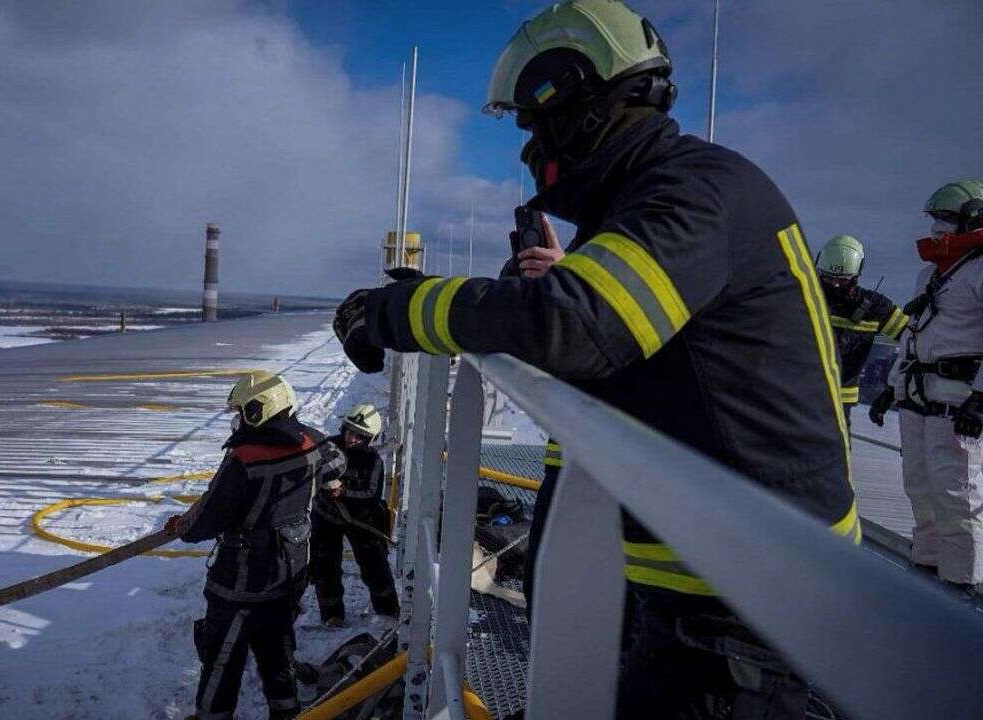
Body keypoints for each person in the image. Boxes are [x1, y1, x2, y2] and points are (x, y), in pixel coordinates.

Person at [333, 1, 858, 716]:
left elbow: (576, 326)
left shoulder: (696, 190)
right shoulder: (652, 201)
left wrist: (397, 311)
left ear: (577, 107)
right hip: (698, 573)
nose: (527, 149)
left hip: (746, 603)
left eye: (533, 123)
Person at [167, 370, 345, 720]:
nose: (236, 421)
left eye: (241, 411)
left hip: (240, 584)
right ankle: (288, 712)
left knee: (222, 659)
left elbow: (206, 519)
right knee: (277, 653)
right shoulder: (310, 443)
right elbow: (337, 461)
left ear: (258, 410)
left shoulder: (245, 458)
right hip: (289, 575)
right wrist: (330, 482)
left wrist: (181, 526)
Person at [870, 179, 983, 597]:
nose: (936, 227)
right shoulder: (930, 275)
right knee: (919, 486)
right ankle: (928, 571)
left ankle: (960, 585)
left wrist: (980, 399)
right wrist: (891, 387)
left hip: (958, 402)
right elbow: (912, 338)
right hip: (920, 398)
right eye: (934, 218)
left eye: (946, 218)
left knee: (958, 496)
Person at [309, 403, 399, 626]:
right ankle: (332, 614)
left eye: (359, 436)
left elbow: (370, 493)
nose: (352, 438)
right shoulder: (327, 447)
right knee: (325, 565)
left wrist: (342, 491)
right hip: (326, 516)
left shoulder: (373, 461)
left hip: (362, 520)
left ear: (369, 439)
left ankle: (388, 609)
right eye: (350, 432)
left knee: (374, 566)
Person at [815, 234, 908, 422]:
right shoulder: (800, 297)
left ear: (856, 275)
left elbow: (915, 339)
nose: (835, 284)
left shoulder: (875, 308)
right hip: (796, 394)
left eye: (842, 279)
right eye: (829, 278)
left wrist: (893, 389)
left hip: (839, 403)